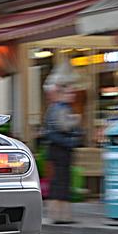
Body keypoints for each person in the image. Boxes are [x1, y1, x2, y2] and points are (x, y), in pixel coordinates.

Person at [44, 81, 82, 224]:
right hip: (60, 149)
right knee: (60, 181)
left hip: (59, 149)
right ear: (61, 94)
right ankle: (59, 215)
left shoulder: (58, 108)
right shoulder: (60, 108)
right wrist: (75, 120)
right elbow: (63, 126)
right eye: (70, 93)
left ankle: (60, 215)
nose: (72, 95)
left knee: (61, 181)